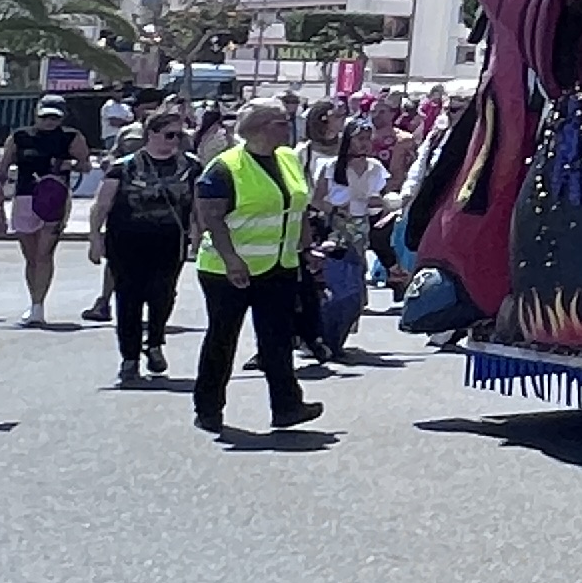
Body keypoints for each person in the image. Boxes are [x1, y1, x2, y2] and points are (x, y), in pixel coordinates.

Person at [191, 100, 319, 435]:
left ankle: (287, 405)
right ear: (261, 127)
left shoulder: (289, 159)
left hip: (279, 265)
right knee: (223, 337)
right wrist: (232, 260)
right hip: (227, 269)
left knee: (276, 339)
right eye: (281, 122)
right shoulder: (225, 167)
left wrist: (308, 246)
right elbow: (211, 219)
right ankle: (208, 407)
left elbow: (298, 205)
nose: (288, 127)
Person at [94, 109, 200, 384]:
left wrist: (198, 236)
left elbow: (198, 205)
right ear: (151, 134)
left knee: (163, 294)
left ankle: (154, 342)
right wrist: (96, 238)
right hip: (127, 241)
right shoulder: (124, 166)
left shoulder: (190, 166)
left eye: (180, 135)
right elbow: (102, 204)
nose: (175, 140)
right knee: (128, 298)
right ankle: (129, 357)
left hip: (170, 241)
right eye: (169, 134)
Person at [306, 116, 388, 365]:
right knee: (340, 289)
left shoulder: (374, 168)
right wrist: (333, 209)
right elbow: (316, 198)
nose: (364, 144)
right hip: (335, 229)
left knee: (355, 290)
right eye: (359, 139)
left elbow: (379, 199)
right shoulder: (330, 166)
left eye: (367, 139)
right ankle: (324, 338)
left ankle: (336, 339)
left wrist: (379, 203)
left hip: (361, 230)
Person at [6, 97, 85, 328]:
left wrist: (64, 164)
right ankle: (33, 301)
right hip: (24, 196)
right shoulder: (20, 136)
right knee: (30, 256)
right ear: (36, 115)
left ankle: (38, 306)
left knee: (44, 254)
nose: (49, 121)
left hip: (55, 198)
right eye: (45, 116)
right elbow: (2, 167)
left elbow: (85, 165)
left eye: (55, 117)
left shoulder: (71, 136)